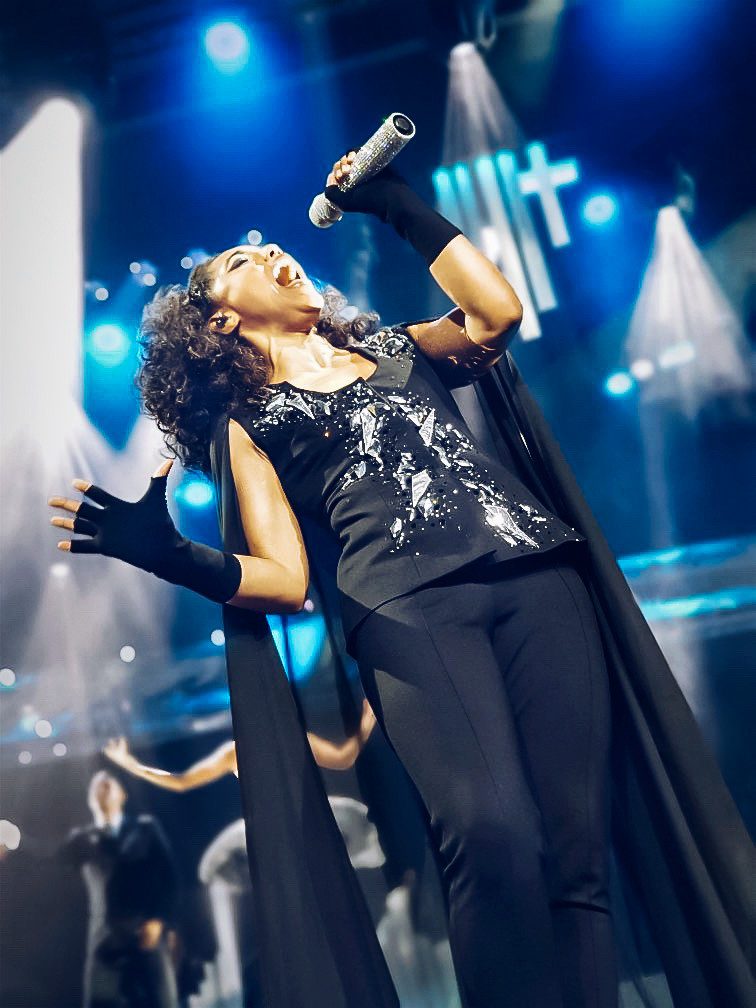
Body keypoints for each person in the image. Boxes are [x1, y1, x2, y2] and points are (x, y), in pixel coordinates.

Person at [48, 153, 753, 1008]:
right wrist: (169, 554)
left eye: (273, 245)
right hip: (409, 609)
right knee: (490, 834)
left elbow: (496, 314)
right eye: (243, 260)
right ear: (220, 324)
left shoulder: (395, 351)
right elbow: (282, 579)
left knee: (576, 850)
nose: (272, 252)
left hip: (536, 577)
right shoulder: (250, 421)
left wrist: (397, 205)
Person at [59, 771, 180, 1008]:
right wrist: (14, 843)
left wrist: (159, 919)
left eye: (108, 784)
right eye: (96, 786)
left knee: (164, 1001)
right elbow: (49, 857)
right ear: (90, 799)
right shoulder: (83, 839)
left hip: (145, 932)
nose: (102, 788)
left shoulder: (146, 828)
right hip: (105, 939)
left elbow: (170, 880)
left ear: (123, 795)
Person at [102, 696, 377, 786]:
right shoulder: (236, 752)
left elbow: (344, 759)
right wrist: (130, 765)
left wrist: (367, 722)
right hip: (267, 832)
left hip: (305, 820)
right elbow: (181, 781)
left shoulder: (295, 740)